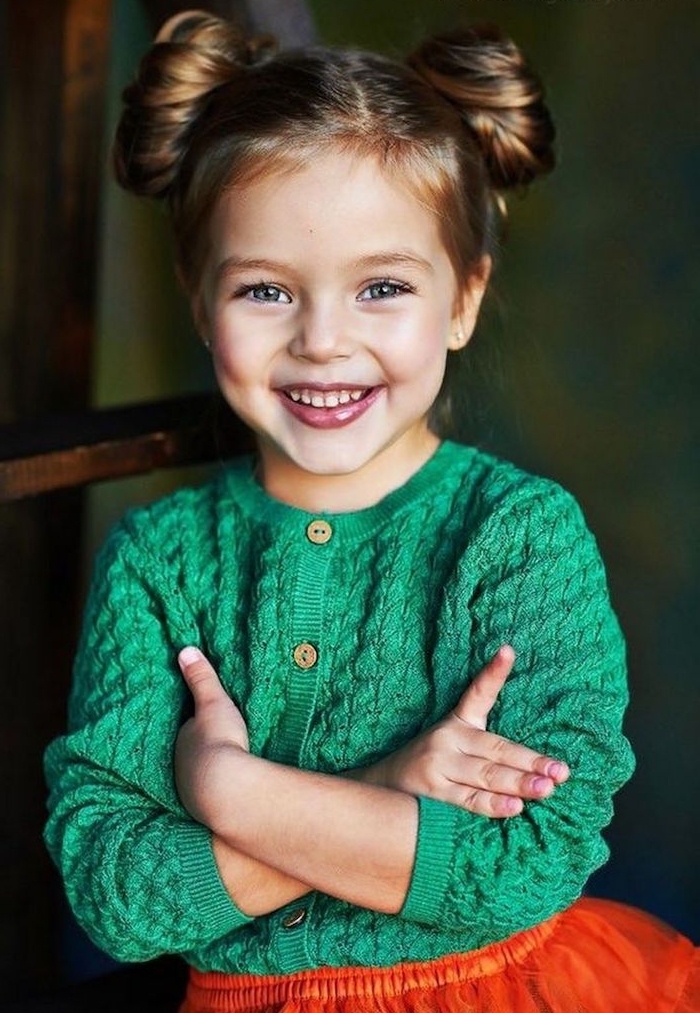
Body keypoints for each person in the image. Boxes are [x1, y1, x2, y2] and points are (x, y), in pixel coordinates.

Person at [44, 10, 699, 1012]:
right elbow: (117, 893)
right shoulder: (158, 560)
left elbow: (527, 860)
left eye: (382, 285)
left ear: (464, 296)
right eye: (266, 290)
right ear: (196, 295)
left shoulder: (518, 537)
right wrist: (394, 786)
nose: (321, 340)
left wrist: (231, 791)